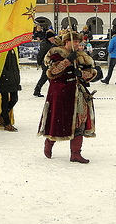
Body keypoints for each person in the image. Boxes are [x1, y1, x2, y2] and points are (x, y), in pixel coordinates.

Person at [38, 31, 97, 163]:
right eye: (75, 41)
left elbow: (92, 73)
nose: (77, 44)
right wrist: (67, 61)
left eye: (78, 42)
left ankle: (75, 153)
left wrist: (81, 74)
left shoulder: (82, 56)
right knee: (58, 121)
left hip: (78, 93)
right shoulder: (56, 54)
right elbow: (53, 72)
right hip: (61, 93)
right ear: (67, 42)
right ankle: (49, 142)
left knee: (80, 121)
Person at [0, 48, 21, 132]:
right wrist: (7, 76)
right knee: (5, 100)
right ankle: (6, 122)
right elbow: (1, 66)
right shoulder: (3, 50)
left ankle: (3, 115)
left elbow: (15, 66)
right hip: (4, 79)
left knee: (14, 99)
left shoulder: (13, 50)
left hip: (12, 79)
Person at [33, 29, 56, 97]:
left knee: (48, 78)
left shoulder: (48, 44)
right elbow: (40, 54)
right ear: (49, 38)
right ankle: (37, 91)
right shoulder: (46, 45)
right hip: (46, 63)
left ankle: (38, 90)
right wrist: (39, 62)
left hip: (48, 63)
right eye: (53, 38)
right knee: (46, 78)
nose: (54, 39)